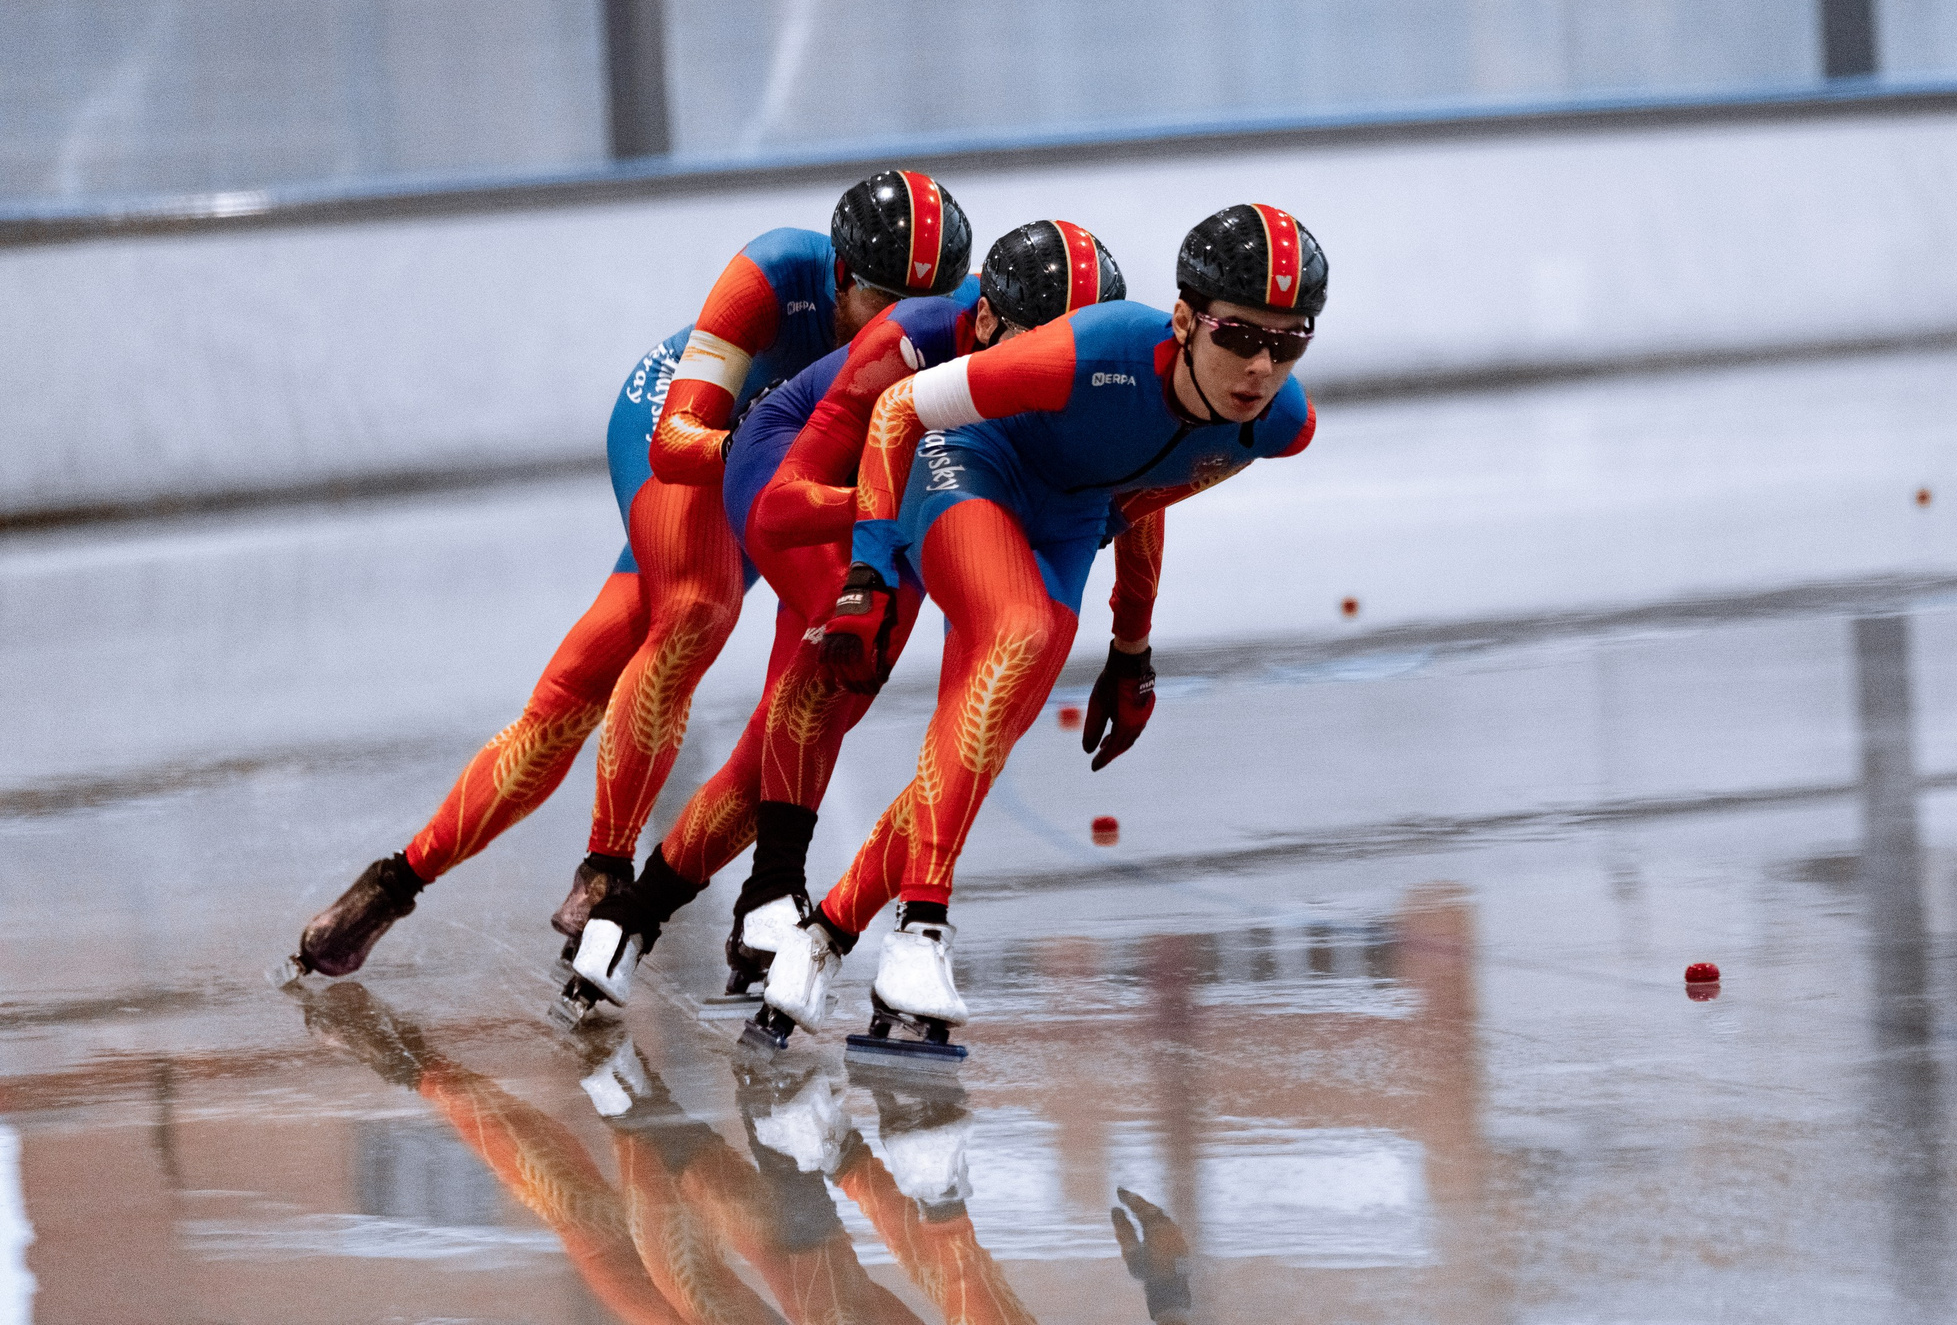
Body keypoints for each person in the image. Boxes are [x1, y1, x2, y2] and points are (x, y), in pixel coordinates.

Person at [280, 171, 974, 984]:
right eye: (886, 306)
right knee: (700, 608)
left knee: (588, 700)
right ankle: (605, 867)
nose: (907, 329)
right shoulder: (775, 271)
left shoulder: (936, 330)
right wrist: (763, 452)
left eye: (926, 306)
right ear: (843, 279)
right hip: (687, 436)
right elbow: (676, 442)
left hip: (777, 476)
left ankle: (396, 878)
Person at [759, 204, 1328, 1051]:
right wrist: (871, 569)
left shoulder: (1277, 427)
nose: (1260, 365)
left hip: (1065, 521)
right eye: (1240, 334)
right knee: (1017, 629)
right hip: (968, 464)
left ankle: (823, 938)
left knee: (975, 749)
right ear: (1182, 319)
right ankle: (920, 932)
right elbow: (901, 411)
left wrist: (1131, 649)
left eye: (1289, 343)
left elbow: (1141, 504)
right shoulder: (1092, 351)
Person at [565, 222, 1129, 1020]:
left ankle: (627, 922)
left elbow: (1137, 476)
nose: (1049, 379)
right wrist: (867, 567)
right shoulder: (913, 337)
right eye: (1037, 353)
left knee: (775, 752)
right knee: (832, 674)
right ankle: (772, 888)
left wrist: (1130, 642)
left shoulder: (1088, 367)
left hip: (910, 483)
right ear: (990, 323)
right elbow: (811, 474)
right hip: (793, 470)